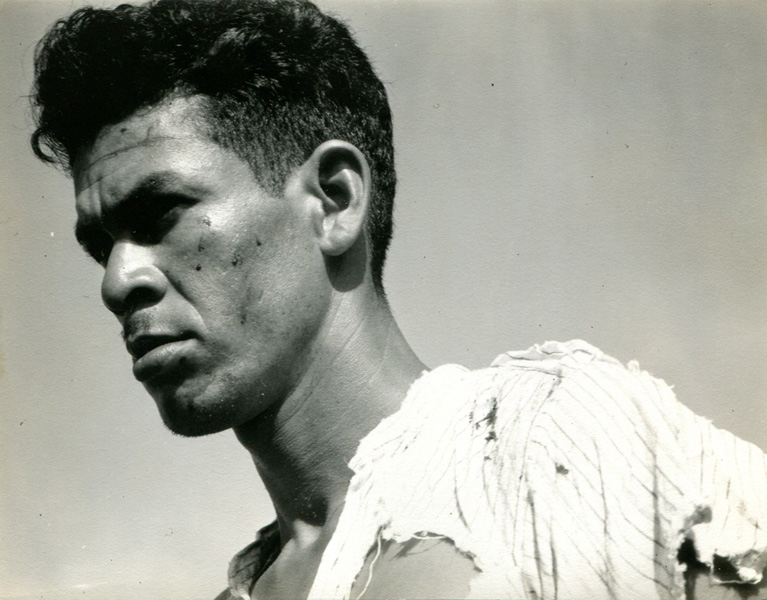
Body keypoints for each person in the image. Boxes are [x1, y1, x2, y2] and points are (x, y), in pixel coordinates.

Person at [29, 0, 767, 598]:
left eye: (161, 213)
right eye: (101, 247)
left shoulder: (560, 443)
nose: (117, 281)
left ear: (334, 200)